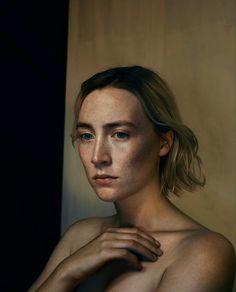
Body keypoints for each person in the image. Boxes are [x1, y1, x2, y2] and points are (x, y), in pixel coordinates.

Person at [28, 65, 235, 291]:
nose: (98, 157)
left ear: (163, 143)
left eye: (120, 134)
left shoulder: (203, 251)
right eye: (86, 136)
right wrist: (67, 271)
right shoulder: (80, 236)